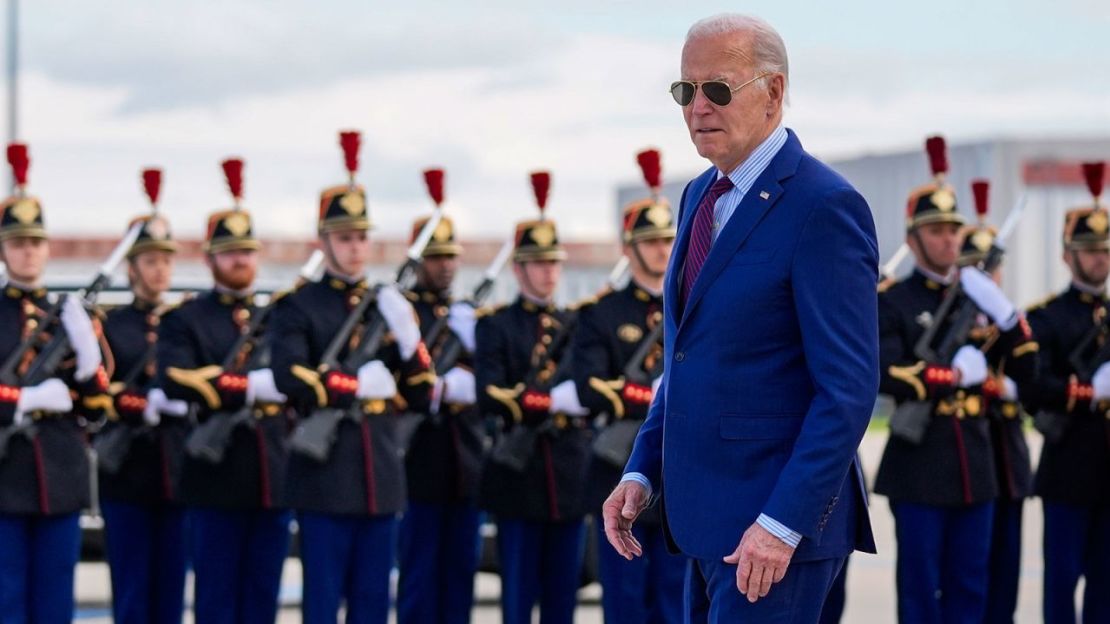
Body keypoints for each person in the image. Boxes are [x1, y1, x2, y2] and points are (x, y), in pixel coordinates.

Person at [603, 14, 879, 622]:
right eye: (686, 91)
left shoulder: (824, 206)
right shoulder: (700, 194)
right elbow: (686, 359)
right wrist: (642, 471)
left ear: (774, 91)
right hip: (705, 525)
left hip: (773, 537)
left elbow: (848, 389)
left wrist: (782, 525)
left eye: (718, 89)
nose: (698, 107)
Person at [269, 131, 435, 624]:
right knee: (323, 603)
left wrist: (409, 341)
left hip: (379, 474)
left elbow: (422, 395)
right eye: (345, 237)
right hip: (325, 475)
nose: (356, 247)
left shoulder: (388, 305)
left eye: (362, 237)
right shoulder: (299, 306)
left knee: (371, 605)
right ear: (323, 242)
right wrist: (353, 385)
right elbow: (288, 375)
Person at [872, 140, 1036, 623]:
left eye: (953, 231)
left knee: (971, 589)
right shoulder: (894, 300)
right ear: (915, 237)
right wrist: (951, 375)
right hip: (920, 466)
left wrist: (1006, 317)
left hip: (976, 466)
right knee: (921, 591)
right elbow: (884, 372)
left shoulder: (979, 297)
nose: (949, 240)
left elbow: (1029, 375)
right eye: (937, 231)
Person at [158, 159, 291, 624]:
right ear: (210, 258)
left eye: (248, 251)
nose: (241, 260)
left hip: (272, 477)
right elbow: (174, 376)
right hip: (216, 477)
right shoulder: (186, 319)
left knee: (262, 601)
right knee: (216, 601)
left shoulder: (277, 317)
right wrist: (249, 387)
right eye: (231, 251)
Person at [571, 148, 686, 624]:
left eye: (668, 239)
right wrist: (651, 394)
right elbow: (589, 387)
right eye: (651, 240)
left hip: (678, 476)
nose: (662, 248)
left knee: (674, 603)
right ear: (628, 247)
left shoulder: (690, 305)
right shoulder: (603, 313)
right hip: (622, 469)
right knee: (625, 606)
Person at [0, 142, 112, 622]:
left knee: (54, 602)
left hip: (59, 476)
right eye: (19, 243)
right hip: (5, 478)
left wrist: (90, 363)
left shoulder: (64, 314)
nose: (29, 252)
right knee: (8, 598)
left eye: (36, 243)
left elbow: (95, 406)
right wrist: (22, 400)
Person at [476, 171, 593, 624]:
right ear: (519, 268)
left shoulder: (577, 324)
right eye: (539, 263)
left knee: (564, 599)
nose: (549, 272)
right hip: (518, 479)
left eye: (554, 263)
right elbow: (490, 395)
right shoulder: (497, 325)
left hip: (567, 477)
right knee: (518, 598)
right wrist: (546, 402)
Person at [97, 168, 191, 624]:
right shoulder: (113, 325)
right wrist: (139, 403)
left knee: (171, 593)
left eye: (166, 261)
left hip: (176, 473)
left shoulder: (184, 321)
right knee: (133, 594)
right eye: (150, 261)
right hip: (129, 474)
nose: (160, 270)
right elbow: (104, 390)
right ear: (131, 267)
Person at [1019, 162, 1110, 624]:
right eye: (1089, 250)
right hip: (1069, 468)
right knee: (1062, 581)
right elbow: (1032, 388)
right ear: (1067, 255)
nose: (1099, 259)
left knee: (1107, 587)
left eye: (1105, 251)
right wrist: (1090, 393)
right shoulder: (1048, 318)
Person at [397, 170, 487, 624]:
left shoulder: (464, 314)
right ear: (417, 262)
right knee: (419, 580)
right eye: (436, 257)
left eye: (450, 256)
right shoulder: (403, 314)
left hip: (464, 466)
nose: (446, 265)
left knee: (459, 579)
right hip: (419, 463)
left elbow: (486, 379)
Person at [956, 180, 1038, 624]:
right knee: (972, 574)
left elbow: (1034, 377)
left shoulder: (1010, 316)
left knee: (1005, 569)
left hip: (1007, 454)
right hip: (972, 451)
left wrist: (1006, 388)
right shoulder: (957, 319)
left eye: (992, 270)